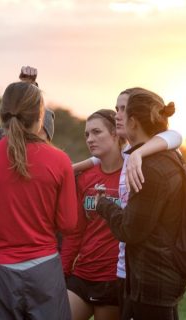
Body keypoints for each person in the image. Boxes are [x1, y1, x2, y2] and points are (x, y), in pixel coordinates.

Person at [0, 81, 77, 319]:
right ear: (40, 116)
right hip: (44, 272)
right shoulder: (60, 160)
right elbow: (68, 224)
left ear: (1, 115)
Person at [72, 88, 182, 317]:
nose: (117, 115)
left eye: (122, 109)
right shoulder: (129, 155)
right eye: (116, 109)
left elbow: (174, 136)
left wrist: (103, 204)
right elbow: (103, 155)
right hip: (127, 274)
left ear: (135, 119)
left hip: (148, 277)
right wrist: (74, 168)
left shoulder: (147, 162)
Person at [61, 109, 125, 320]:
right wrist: (63, 271)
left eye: (97, 132)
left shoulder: (130, 174)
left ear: (115, 133)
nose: (90, 139)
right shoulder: (85, 178)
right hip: (82, 274)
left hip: (113, 279)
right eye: (87, 134)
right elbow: (75, 231)